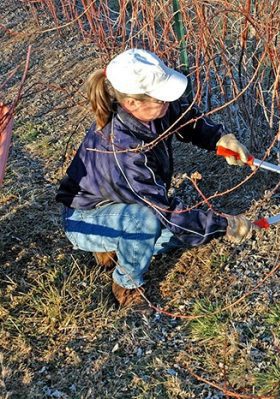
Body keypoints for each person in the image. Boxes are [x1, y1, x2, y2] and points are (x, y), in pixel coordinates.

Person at [56, 48, 254, 307]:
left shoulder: (153, 110)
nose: (167, 103)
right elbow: (164, 211)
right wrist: (221, 224)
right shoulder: (122, 149)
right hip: (86, 217)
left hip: (120, 203)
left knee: (172, 234)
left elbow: (186, 120)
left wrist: (219, 139)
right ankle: (125, 284)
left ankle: (116, 245)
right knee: (149, 223)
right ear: (132, 103)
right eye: (161, 99)